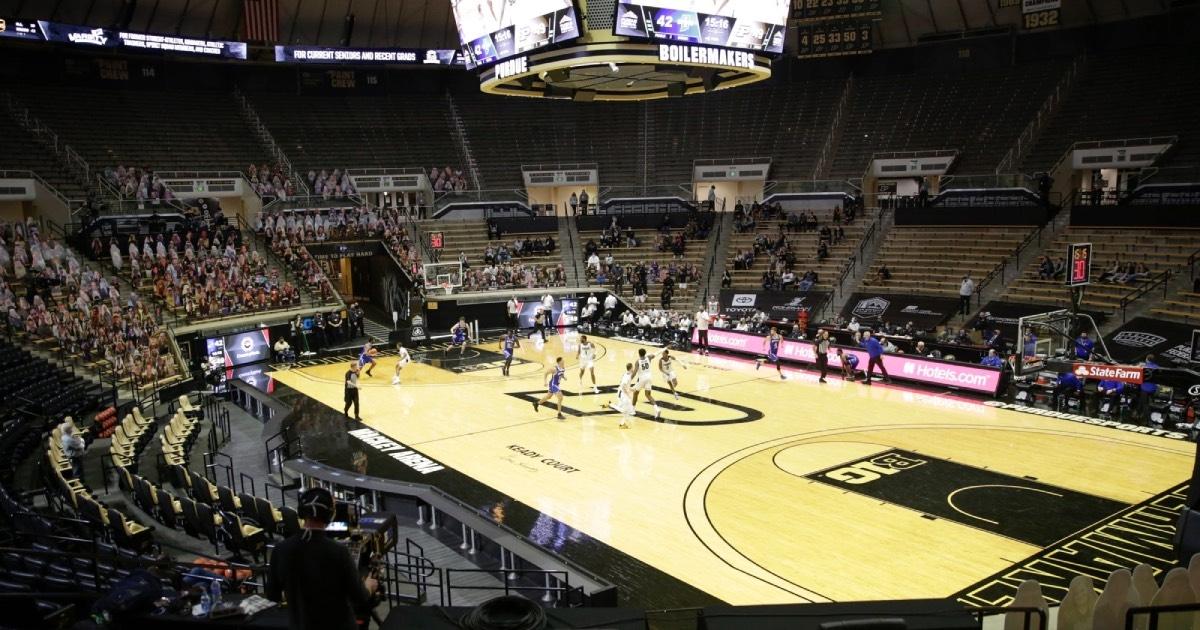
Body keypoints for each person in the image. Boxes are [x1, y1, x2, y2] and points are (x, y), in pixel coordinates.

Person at [267, 486, 377, 630]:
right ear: (330, 514)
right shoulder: (339, 552)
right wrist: (369, 586)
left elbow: (272, 596)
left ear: (301, 512)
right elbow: (359, 597)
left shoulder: (280, 550)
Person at [631, 348, 662, 418]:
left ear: (639, 354)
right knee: (648, 395)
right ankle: (656, 408)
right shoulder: (649, 357)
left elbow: (634, 372)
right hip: (649, 378)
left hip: (642, 379)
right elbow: (657, 353)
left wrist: (629, 380)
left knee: (635, 393)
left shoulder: (637, 361)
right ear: (645, 353)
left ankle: (632, 410)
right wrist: (665, 348)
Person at [609, 363, 636, 428]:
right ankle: (622, 424)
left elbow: (624, 385)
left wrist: (631, 389)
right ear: (631, 368)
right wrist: (628, 394)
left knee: (627, 410)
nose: (633, 369)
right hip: (624, 395)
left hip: (622, 393)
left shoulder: (626, 374)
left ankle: (622, 423)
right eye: (633, 367)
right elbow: (623, 385)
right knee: (626, 410)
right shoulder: (627, 376)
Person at [1139, 354, 1159, 422]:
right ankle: (1140, 415)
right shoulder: (1157, 367)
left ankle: (1147, 420)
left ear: (1147, 359)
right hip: (1153, 389)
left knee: (1145, 404)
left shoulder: (1143, 366)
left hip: (1145, 388)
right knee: (1148, 403)